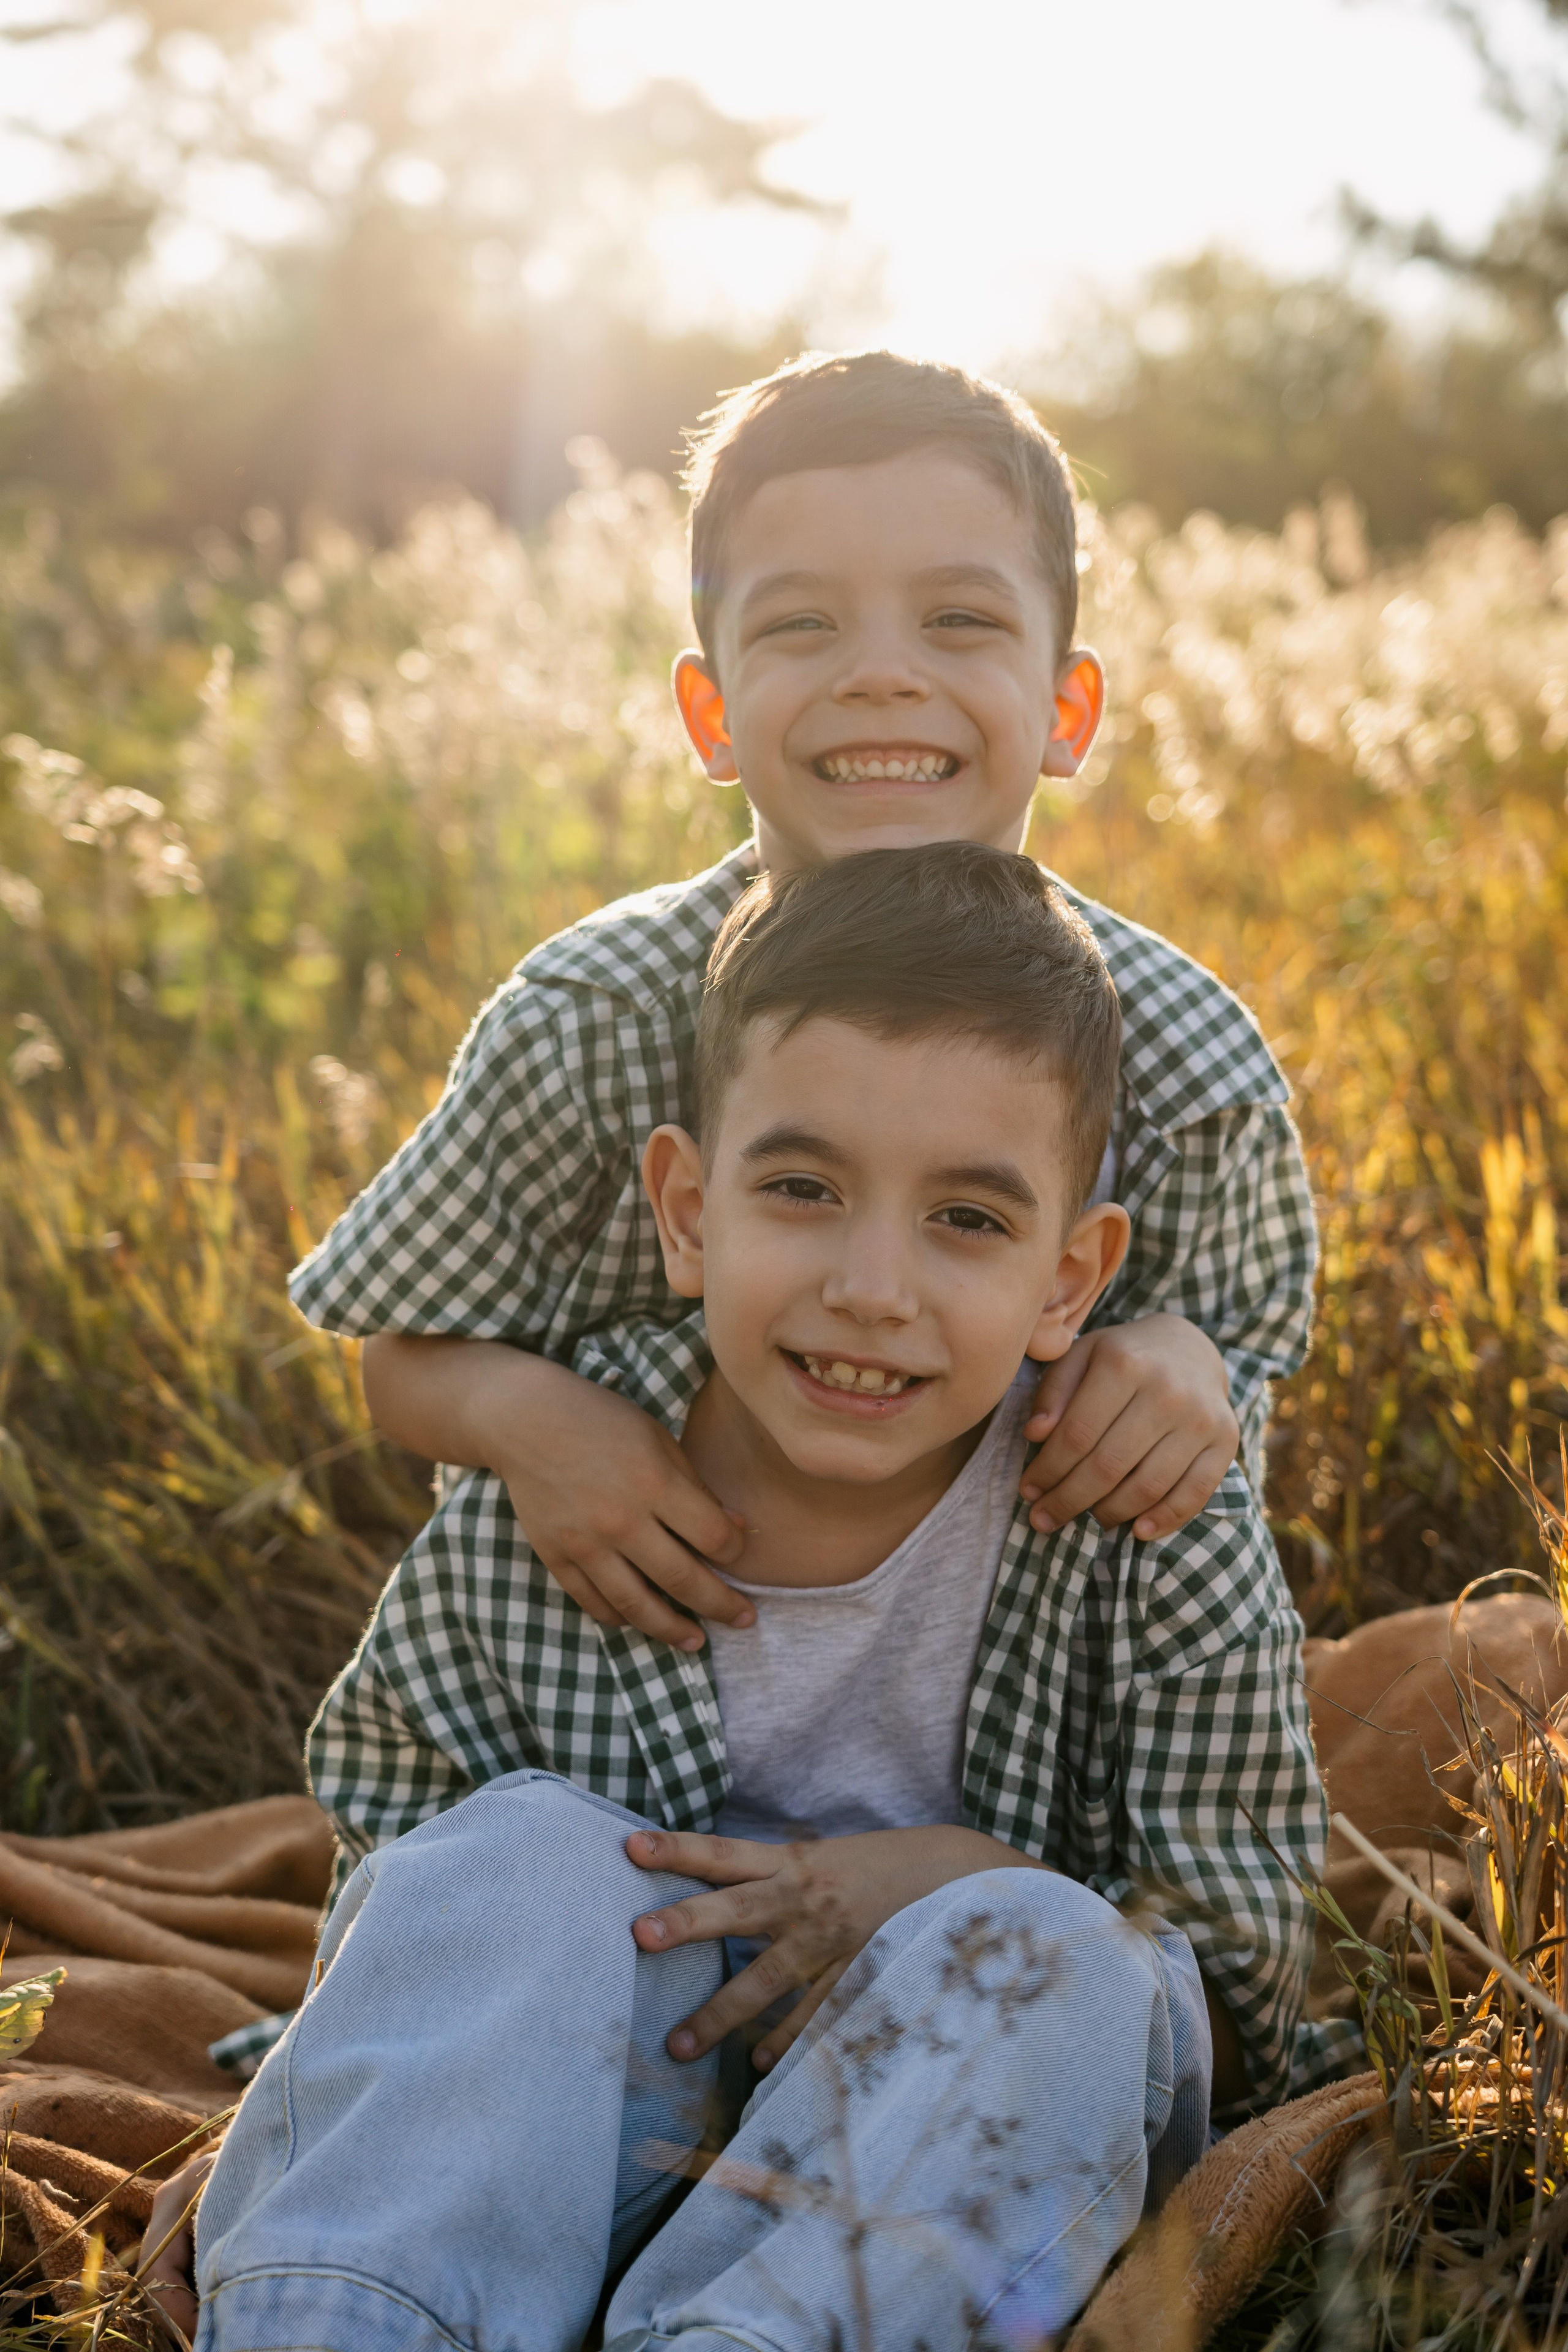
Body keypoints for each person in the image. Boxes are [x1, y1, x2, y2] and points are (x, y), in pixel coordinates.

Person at [186, 845, 1329, 2352]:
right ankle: (351, 2319)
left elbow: (1246, 1973)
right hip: (598, 2105)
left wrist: (957, 1881)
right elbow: (407, 1908)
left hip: (936, 2144)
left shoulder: (1153, 1520)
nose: (871, 1285)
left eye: (966, 1221)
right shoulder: (562, 1505)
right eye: (801, 1188)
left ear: (1071, 1278)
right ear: (685, 1208)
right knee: (511, 1852)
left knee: (1069, 1962)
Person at [285, 350, 1316, 1718]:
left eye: (955, 622)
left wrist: (1189, 1364)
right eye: (801, 627)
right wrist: (531, 1424)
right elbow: (402, 1352)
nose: (881, 676)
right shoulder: (585, 1022)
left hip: (997, 1749)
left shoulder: (1185, 1068)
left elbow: (1235, 1402)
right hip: (614, 1718)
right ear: (709, 717)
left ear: (1067, 712)